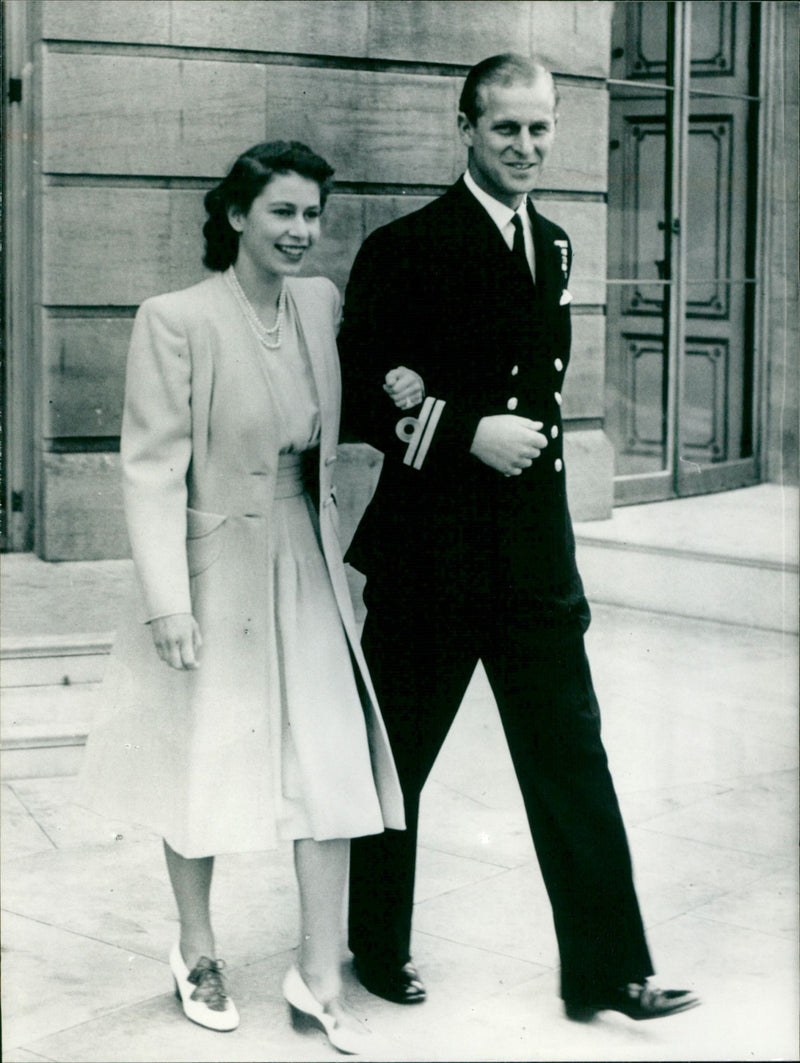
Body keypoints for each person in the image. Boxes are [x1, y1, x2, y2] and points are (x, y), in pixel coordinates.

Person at [338, 54, 700, 1023]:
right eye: (506, 129)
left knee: (571, 758)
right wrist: (463, 432)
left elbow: (535, 388)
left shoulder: (558, 245)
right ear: (465, 128)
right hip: (431, 557)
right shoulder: (403, 247)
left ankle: (609, 970)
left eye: (540, 129)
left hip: (531, 559)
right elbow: (364, 391)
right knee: (396, 757)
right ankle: (375, 944)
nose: (526, 147)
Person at [79, 140, 411, 1053]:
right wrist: (165, 601)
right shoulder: (175, 318)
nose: (302, 232)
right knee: (202, 760)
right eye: (282, 213)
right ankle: (195, 950)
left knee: (332, 764)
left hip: (304, 552)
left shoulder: (319, 302)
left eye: (313, 214)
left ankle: (320, 970)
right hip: (212, 565)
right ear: (236, 217)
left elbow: (352, 407)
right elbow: (151, 469)